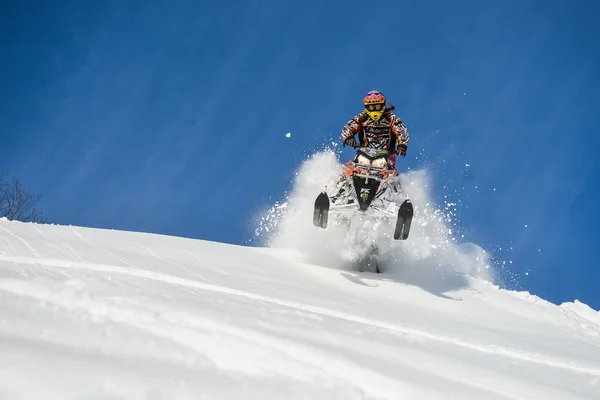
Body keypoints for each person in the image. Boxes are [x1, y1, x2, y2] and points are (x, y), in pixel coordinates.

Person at [341, 90, 409, 167]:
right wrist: (349, 138)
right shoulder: (362, 117)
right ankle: (341, 177)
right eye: (371, 107)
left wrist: (401, 146)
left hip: (387, 154)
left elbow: (402, 130)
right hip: (364, 152)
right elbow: (348, 127)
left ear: (383, 105)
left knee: (391, 169)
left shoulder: (391, 118)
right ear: (366, 107)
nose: (374, 110)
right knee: (348, 167)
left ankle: (393, 177)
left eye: (377, 106)